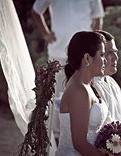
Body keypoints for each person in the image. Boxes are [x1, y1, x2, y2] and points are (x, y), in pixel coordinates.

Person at [31, 0, 105, 141]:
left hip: (85, 56)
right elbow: (36, 11)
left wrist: (93, 46)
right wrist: (45, 34)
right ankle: (56, 137)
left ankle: (86, 137)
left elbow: (98, 17)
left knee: (86, 94)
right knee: (56, 95)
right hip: (58, 52)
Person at [55, 31, 108, 156]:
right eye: (102, 55)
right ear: (87, 58)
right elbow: (79, 143)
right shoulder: (79, 91)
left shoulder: (87, 86)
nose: (105, 60)